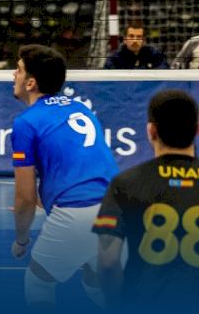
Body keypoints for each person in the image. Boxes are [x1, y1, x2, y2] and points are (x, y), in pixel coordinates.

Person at [9, 44, 117, 308]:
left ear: (31, 83)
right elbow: (86, 163)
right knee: (97, 281)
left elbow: (24, 198)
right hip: (117, 209)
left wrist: (21, 240)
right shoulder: (81, 109)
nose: (14, 74)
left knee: (38, 283)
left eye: (19, 70)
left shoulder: (25, 122)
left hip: (76, 213)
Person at [93, 89, 199, 308]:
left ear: (151, 131)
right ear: (196, 130)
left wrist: (118, 304)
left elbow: (108, 262)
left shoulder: (125, 183)